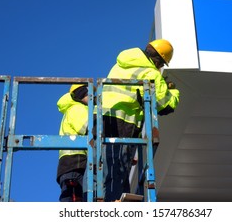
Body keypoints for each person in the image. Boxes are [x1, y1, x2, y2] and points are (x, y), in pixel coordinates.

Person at [101, 38, 180, 201]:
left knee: (108, 165)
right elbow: (165, 105)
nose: (160, 68)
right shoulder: (150, 73)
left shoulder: (121, 64)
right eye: (162, 64)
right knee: (119, 169)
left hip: (104, 116)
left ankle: (110, 199)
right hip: (125, 120)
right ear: (159, 60)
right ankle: (113, 204)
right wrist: (173, 91)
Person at [56, 84, 92, 202]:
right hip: (75, 163)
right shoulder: (77, 109)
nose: (91, 96)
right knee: (74, 201)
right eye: (87, 92)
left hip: (71, 164)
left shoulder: (74, 109)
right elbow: (89, 127)